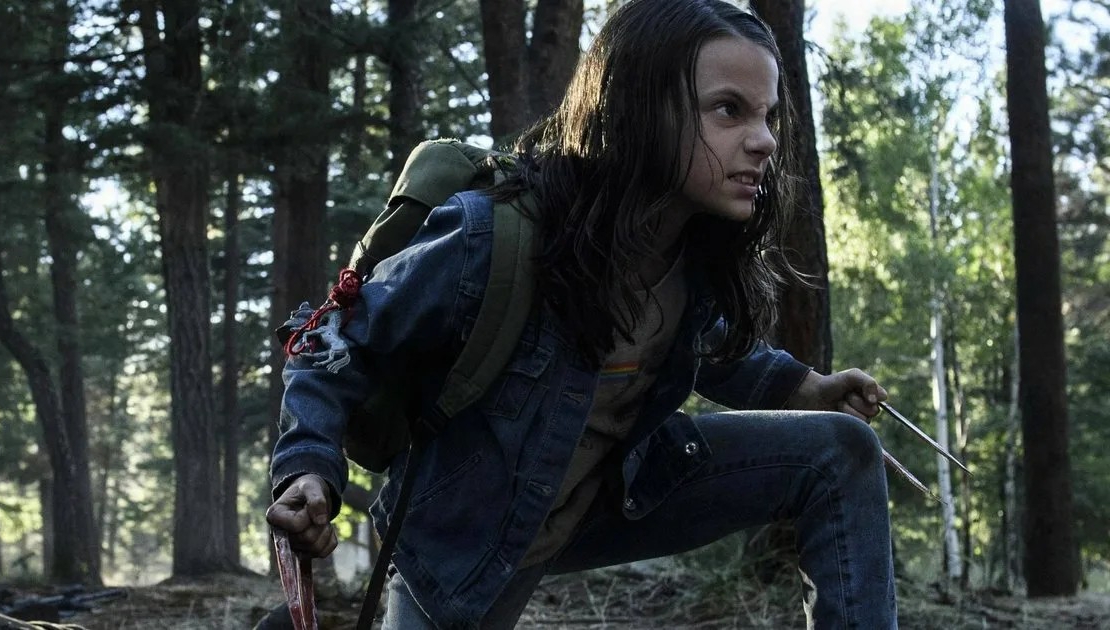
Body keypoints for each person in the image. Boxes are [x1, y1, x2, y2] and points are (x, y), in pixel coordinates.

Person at [265, 0, 897, 628]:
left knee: (839, 451)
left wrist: (803, 387)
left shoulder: (692, 252)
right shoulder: (493, 237)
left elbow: (704, 343)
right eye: (729, 109)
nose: (764, 141)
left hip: (615, 494)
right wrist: (308, 469)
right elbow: (337, 339)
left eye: (767, 115)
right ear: (641, 109)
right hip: (465, 544)